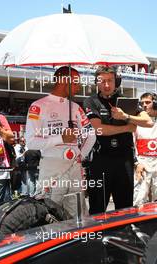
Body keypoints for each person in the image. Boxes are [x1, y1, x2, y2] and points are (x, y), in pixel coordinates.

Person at [26, 66, 96, 217]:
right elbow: (30, 142)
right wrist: (61, 139)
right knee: (49, 214)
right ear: (65, 81)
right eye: (76, 82)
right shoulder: (38, 106)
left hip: (74, 167)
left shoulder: (76, 107)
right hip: (52, 168)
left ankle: (81, 241)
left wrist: (80, 156)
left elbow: (91, 135)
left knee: (79, 216)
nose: (79, 86)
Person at [83, 66, 153, 214]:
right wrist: (127, 127)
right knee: (97, 209)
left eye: (110, 81)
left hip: (124, 161)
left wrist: (126, 117)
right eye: (102, 81)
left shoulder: (126, 100)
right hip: (100, 161)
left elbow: (148, 121)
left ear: (116, 82)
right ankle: (97, 237)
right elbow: (99, 129)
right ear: (97, 82)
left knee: (125, 209)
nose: (106, 85)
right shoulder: (91, 102)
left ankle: (125, 236)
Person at [134, 92, 157, 206]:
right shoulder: (136, 122)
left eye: (148, 102)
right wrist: (137, 163)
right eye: (142, 103)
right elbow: (132, 145)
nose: (144, 105)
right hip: (142, 163)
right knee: (138, 198)